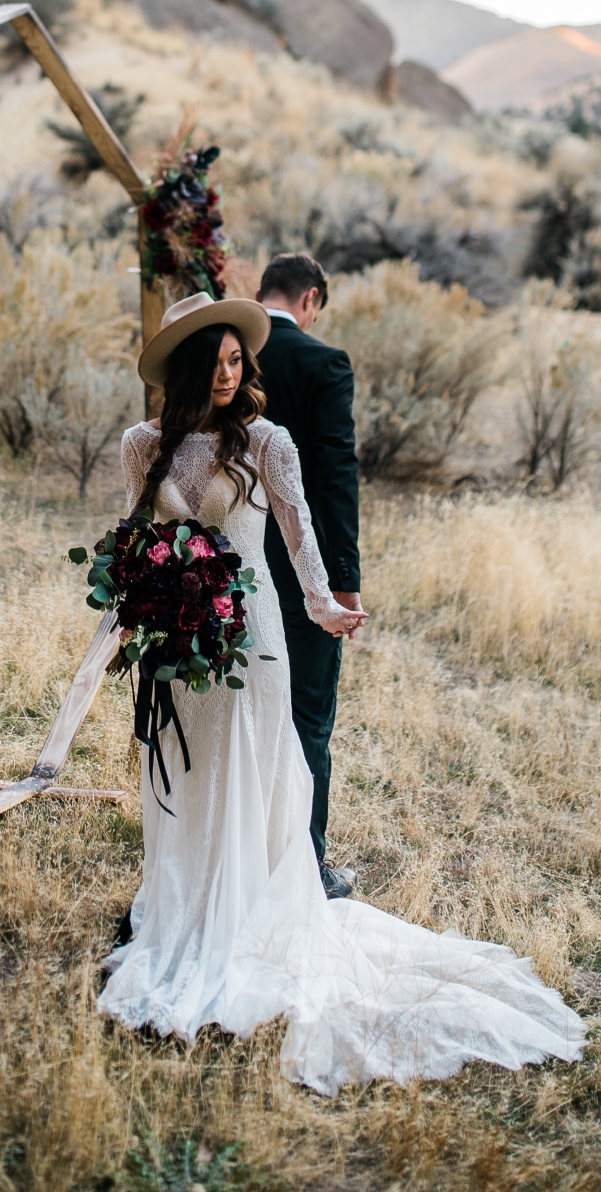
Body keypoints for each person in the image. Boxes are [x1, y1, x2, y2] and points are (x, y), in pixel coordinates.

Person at [99, 290, 585, 1094]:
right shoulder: (143, 444)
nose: (228, 374)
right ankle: (183, 912)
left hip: (249, 638)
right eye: (213, 362)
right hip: (178, 647)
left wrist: (324, 603)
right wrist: (133, 601)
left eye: (235, 360)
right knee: (182, 776)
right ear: (186, 368)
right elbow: (132, 536)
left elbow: (297, 536)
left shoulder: (266, 442)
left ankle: (241, 921)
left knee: (247, 773)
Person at [255, 252, 361, 897]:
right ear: (312, 299)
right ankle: (305, 868)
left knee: (239, 713)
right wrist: (343, 578)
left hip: (223, 567)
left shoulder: (226, 354)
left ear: (259, 292)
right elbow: (335, 476)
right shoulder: (325, 364)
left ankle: (245, 852)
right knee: (308, 718)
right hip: (302, 570)